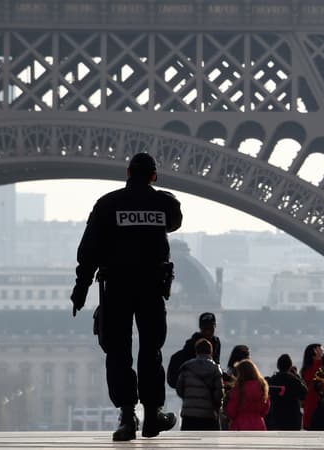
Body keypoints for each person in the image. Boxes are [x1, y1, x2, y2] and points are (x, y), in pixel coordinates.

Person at [70, 152, 182, 441]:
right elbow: (174, 222)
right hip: (151, 287)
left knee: (118, 351)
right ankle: (153, 413)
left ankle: (127, 415)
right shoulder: (165, 204)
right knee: (151, 350)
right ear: (154, 176)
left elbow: (89, 249)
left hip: (117, 287)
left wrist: (81, 287)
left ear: (128, 172)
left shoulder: (108, 204)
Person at [176, 338, 224, 431]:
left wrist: (189, 399)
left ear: (196, 351)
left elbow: (179, 389)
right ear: (211, 352)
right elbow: (219, 393)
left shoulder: (187, 367)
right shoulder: (215, 369)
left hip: (188, 414)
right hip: (208, 415)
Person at [265, 354, 307, 430]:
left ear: (278, 366)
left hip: (276, 416)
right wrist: (296, 376)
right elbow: (304, 394)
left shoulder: (271, 380)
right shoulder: (294, 380)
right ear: (290, 366)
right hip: (293, 417)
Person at [226, 359, 270, 430]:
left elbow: (231, 411)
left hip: (240, 424)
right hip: (258, 423)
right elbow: (266, 408)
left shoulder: (238, 389)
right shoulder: (262, 387)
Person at [300, 343, 324, 430]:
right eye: (320, 349)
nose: (322, 351)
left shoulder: (307, 369)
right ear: (314, 352)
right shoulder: (316, 367)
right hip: (316, 405)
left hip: (311, 405)